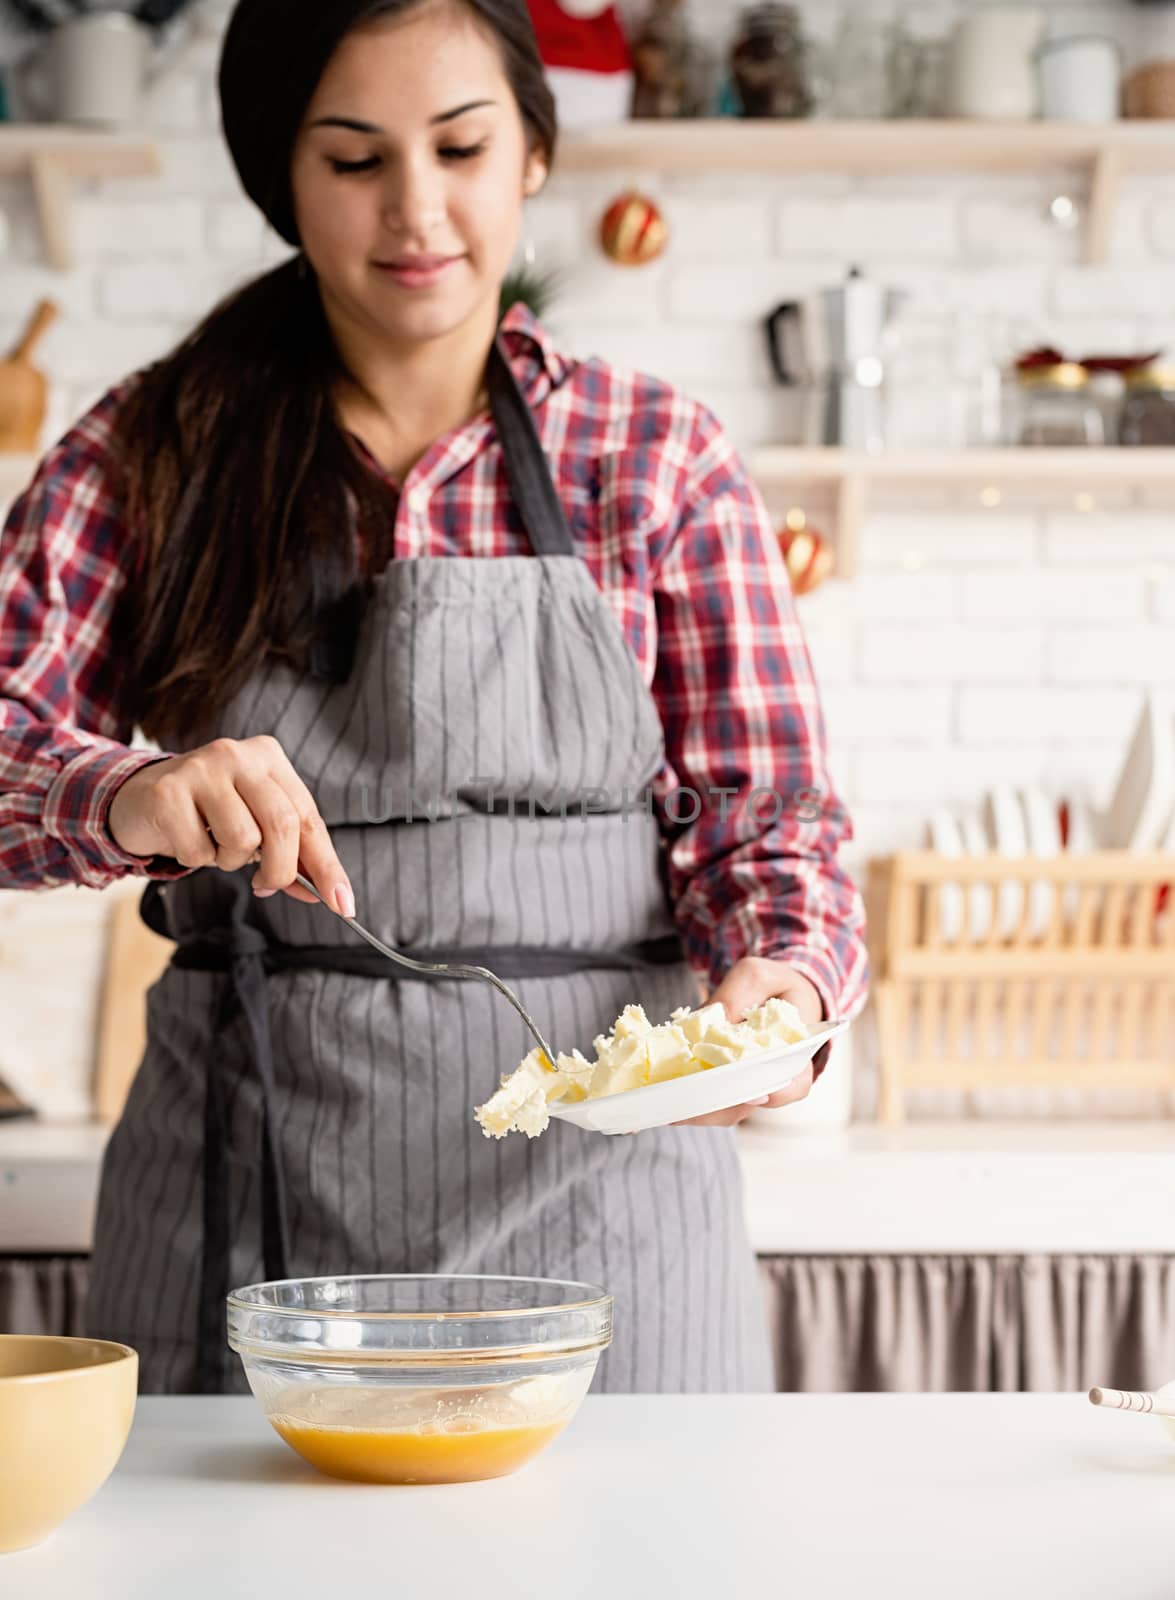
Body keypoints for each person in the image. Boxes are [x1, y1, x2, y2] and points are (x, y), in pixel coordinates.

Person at [0, 0, 867, 1395]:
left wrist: (786, 976)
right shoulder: (150, 452)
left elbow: (769, 818)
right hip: (244, 1204)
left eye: (460, 146)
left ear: (531, 151)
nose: (417, 211)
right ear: (282, 180)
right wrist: (125, 792)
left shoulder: (659, 461)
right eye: (354, 161)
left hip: (614, 1225)